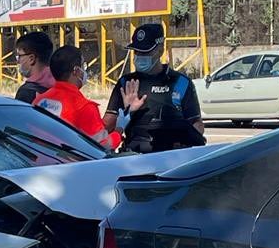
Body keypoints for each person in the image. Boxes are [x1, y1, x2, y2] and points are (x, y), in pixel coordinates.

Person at [103, 23, 206, 153]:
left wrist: (186, 142)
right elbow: (106, 126)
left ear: (160, 50)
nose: (139, 56)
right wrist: (126, 111)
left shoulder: (181, 82)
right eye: (137, 51)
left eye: (146, 51)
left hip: (171, 157)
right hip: (133, 156)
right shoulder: (126, 83)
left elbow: (196, 123)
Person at [33, 45, 120, 149]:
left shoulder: (38, 100)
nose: (84, 70)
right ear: (76, 70)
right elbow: (102, 146)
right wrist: (119, 130)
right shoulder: (84, 107)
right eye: (83, 66)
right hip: (70, 163)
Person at [14, 31, 54, 103]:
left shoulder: (26, 93)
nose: (18, 61)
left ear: (31, 59)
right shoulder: (63, 86)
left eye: (19, 56)